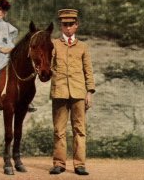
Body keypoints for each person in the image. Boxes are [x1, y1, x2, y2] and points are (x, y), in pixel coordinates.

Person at [49, 9, 95, 176]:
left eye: (71, 24)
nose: (68, 28)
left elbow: (88, 71)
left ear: (77, 25)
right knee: (59, 130)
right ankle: (59, 164)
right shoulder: (53, 44)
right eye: (64, 24)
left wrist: (89, 92)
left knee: (79, 130)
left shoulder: (83, 46)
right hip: (59, 92)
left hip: (78, 93)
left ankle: (79, 165)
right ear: (61, 26)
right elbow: (47, 65)